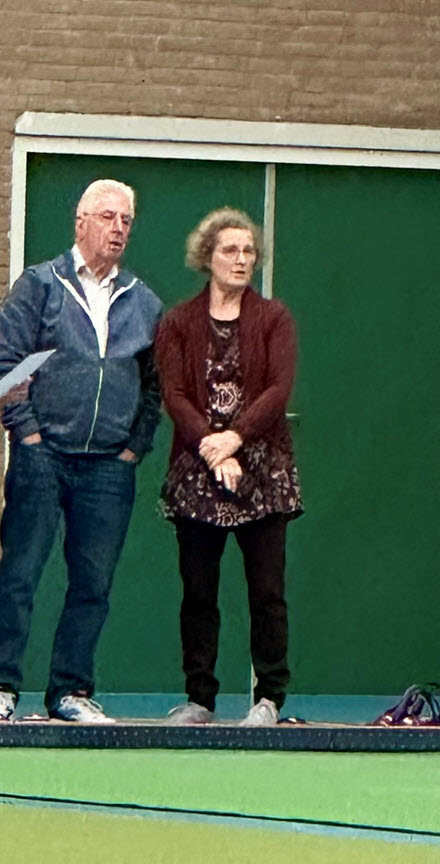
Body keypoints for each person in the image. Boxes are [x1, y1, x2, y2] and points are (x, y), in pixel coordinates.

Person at [0, 180, 163, 723]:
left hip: (109, 465)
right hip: (43, 455)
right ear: (80, 223)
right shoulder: (39, 286)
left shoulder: (144, 301)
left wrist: (135, 446)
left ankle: (71, 691)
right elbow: (7, 366)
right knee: (21, 571)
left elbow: (155, 384)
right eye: (107, 217)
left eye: (126, 220)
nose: (118, 229)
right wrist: (27, 434)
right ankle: (0, 686)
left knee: (93, 584)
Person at [154, 209, 301, 727]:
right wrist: (212, 448)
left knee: (267, 593)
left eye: (248, 252)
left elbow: (279, 389)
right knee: (198, 593)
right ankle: (200, 698)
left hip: (263, 471)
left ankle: (270, 698)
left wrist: (234, 439)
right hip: (198, 471)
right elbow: (173, 392)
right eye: (230, 251)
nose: (241, 260)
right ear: (207, 257)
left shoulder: (275, 318)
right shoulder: (178, 322)